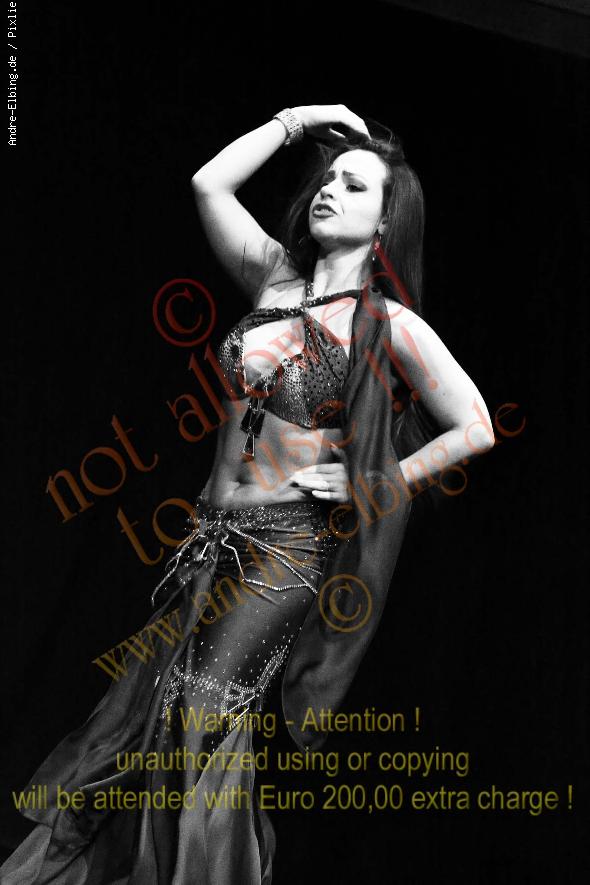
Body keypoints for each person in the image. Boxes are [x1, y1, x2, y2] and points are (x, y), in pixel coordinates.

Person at [1, 105, 494, 884]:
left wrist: (375, 479)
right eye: (327, 178)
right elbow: (209, 183)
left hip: (287, 551)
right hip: (208, 538)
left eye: (354, 185)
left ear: (383, 224)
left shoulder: (388, 323)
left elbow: (476, 426)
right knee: (149, 717)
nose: (329, 190)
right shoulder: (273, 278)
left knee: (201, 716)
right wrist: (302, 120)